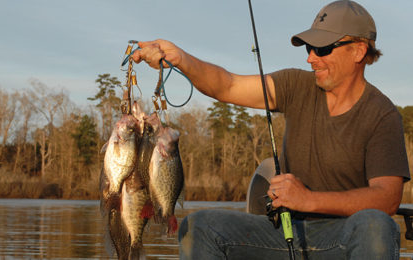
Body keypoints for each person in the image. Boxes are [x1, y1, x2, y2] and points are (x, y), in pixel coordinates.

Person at [132, 0, 410, 259]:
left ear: (359, 50)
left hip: (345, 239)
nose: (311, 58)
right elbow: (227, 85)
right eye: (308, 48)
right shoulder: (297, 85)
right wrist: (180, 58)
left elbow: (386, 198)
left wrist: (308, 200)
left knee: (376, 225)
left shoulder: (381, 115)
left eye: (323, 48)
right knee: (199, 226)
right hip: (286, 233)